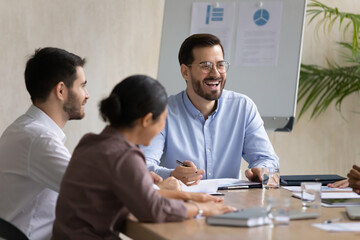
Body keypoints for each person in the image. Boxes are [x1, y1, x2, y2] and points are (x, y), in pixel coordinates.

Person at [51, 75, 235, 239]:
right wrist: (201, 209)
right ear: (146, 120)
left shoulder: (92, 142)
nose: (163, 127)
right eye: (163, 119)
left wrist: (196, 197)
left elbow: (142, 194)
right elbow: (152, 209)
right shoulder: (124, 155)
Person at [141, 33, 279, 185]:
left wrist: (262, 171)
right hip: (182, 204)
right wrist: (172, 175)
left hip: (230, 204)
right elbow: (142, 166)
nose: (215, 73)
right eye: (205, 66)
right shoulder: (162, 111)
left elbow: (266, 159)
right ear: (185, 72)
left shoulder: (243, 107)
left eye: (220, 65)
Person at [0, 47, 90, 240]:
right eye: (82, 86)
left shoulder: (26, 129)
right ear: (61, 90)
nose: (87, 94)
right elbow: (90, 189)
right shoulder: (39, 139)